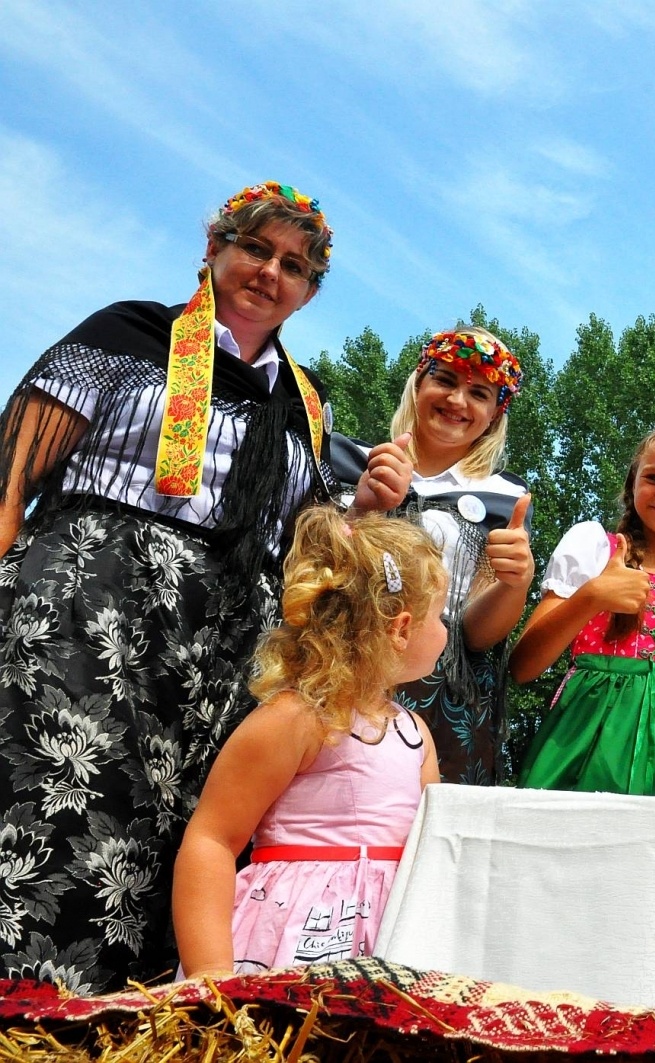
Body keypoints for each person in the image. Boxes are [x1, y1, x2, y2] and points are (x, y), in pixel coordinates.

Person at [0, 182, 399, 992]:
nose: (269, 272)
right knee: (62, 795)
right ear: (215, 249)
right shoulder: (127, 333)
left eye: (294, 265)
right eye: (255, 248)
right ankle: (25, 1007)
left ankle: (124, 1016)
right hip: (86, 608)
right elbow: (13, 475)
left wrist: (360, 513)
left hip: (218, 653)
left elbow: (304, 546)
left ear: (310, 291)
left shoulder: (306, 402)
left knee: (173, 829)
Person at [171, 506, 445, 977]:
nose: (445, 633)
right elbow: (212, 839)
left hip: (397, 939)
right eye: (439, 617)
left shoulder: (415, 734)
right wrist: (210, 980)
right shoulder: (295, 719)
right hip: (290, 940)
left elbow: (433, 849)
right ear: (400, 628)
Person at [330, 327, 533, 785]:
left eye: (479, 392)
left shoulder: (506, 497)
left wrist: (514, 582)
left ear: (496, 412)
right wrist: (363, 508)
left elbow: (479, 638)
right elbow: (312, 576)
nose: (458, 401)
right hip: (342, 672)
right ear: (418, 384)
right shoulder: (347, 460)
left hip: (449, 702)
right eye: (445, 380)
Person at [511, 418, 655, 796]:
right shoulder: (595, 549)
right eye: (653, 478)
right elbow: (523, 666)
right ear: (633, 482)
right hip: (582, 737)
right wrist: (591, 597)